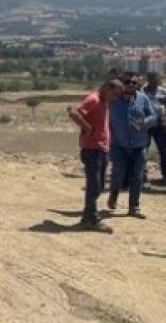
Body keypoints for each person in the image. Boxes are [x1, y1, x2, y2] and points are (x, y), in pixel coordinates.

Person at [68, 80, 123, 231]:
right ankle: (91, 219)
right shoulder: (94, 99)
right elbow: (74, 113)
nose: (116, 97)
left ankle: (88, 217)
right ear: (107, 88)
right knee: (94, 185)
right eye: (115, 94)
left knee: (98, 186)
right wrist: (88, 129)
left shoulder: (104, 101)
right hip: (92, 149)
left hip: (102, 149)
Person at [107, 73, 155, 218]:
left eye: (134, 83)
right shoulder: (113, 99)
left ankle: (134, 207)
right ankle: (113, 196)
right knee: (118, 172)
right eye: (128, 82)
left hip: (139, 145)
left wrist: (146, 122)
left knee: (137, 175)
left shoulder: (143, 98)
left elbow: (153, 116)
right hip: (118, 144)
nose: (131, 85)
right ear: (122, 83)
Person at [142, 72, 166, 185]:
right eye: (152, 79)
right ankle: (143, 176)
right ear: (148, 80)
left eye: (156, 79)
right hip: (146, 126)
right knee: (143, 151)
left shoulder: (164, 92)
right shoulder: (142, 92)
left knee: (164, 151)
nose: (155, 81)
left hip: (161, 126)